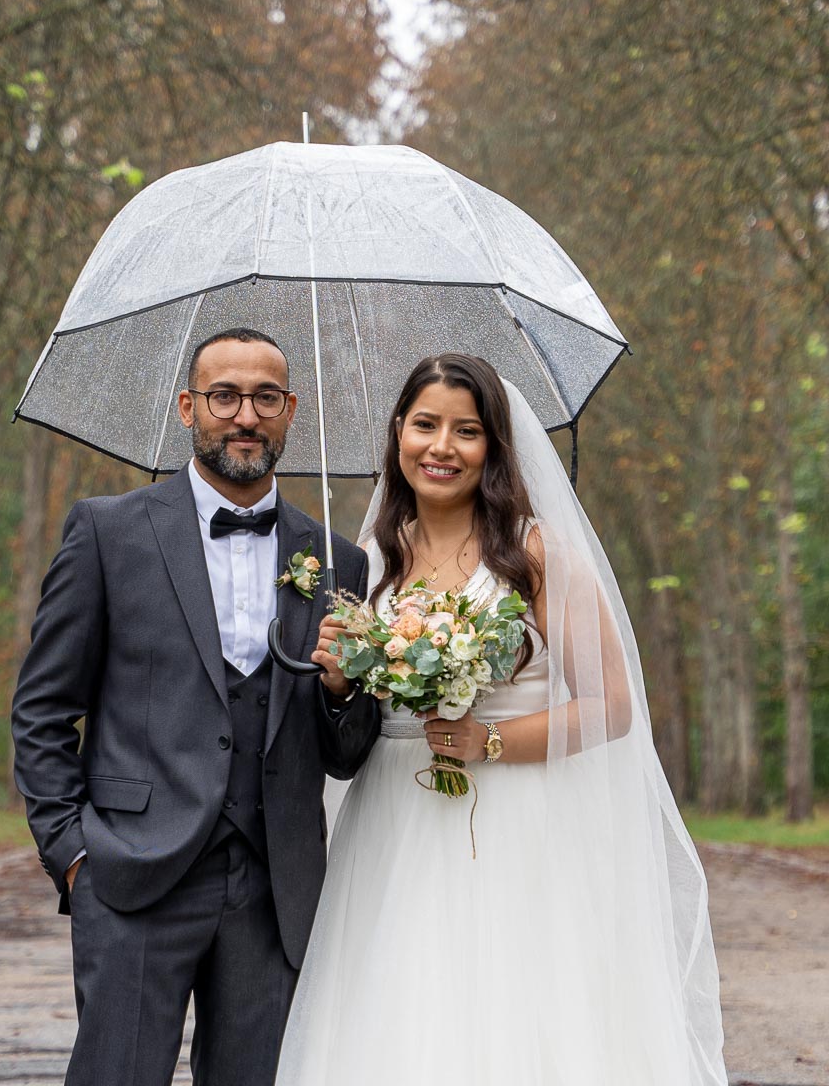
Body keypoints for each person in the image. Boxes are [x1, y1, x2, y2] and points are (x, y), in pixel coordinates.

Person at [276, 353, 727, 1085]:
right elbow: (350, 720)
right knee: (399, 1002)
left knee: (511, 1008)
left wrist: (488, 741)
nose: (441, 448)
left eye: (467, 431)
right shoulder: (366, 563)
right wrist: (339, 678)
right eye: (425, 425)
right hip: (392, 820)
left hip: (516, 821)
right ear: (398, 433)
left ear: (494, 448)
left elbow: (610, 705)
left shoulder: (534, 554)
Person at [11, 326, 380, 1086]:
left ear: (290, 411)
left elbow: (345, 753)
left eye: (265, 397)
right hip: (131, 876)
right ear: (189, 407)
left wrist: (344, 692)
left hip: (276, 888)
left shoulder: (338, 558)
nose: (245, 415)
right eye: (225, 396)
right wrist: (72, 854)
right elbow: (43, 709)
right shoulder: (108, 532)